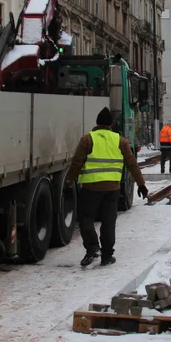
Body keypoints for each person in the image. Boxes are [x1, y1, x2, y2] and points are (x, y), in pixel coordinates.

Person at [66, 107, 149, 267]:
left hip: (91, 187)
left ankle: (92, 249)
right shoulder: (120, 141)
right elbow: (132, 164)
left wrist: (68, 181)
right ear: (112, 124)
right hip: (112, 189)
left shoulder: (87, 139)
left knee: (86, 219)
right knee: (108, 222)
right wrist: (141, 184)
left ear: (97, 123)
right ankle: (106, 256)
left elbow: (76, 163)